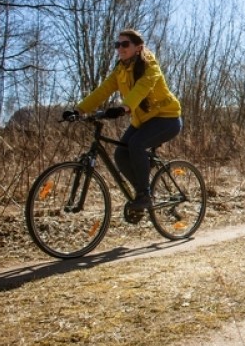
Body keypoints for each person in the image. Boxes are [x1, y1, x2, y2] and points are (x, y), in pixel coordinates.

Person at [70, 29, 182, 212]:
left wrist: (124, 107)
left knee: (136, 144)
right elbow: (103, 90)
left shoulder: (150, 66)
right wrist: (78, 110)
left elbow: (142, 89)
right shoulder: (120, 69)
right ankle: (141, 191)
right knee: (120, 154)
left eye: (125, 44)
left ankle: (145, 195)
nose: (119, 48)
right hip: (143, 121)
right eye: (117, 44)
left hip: (167, 119)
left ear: (138, 48)